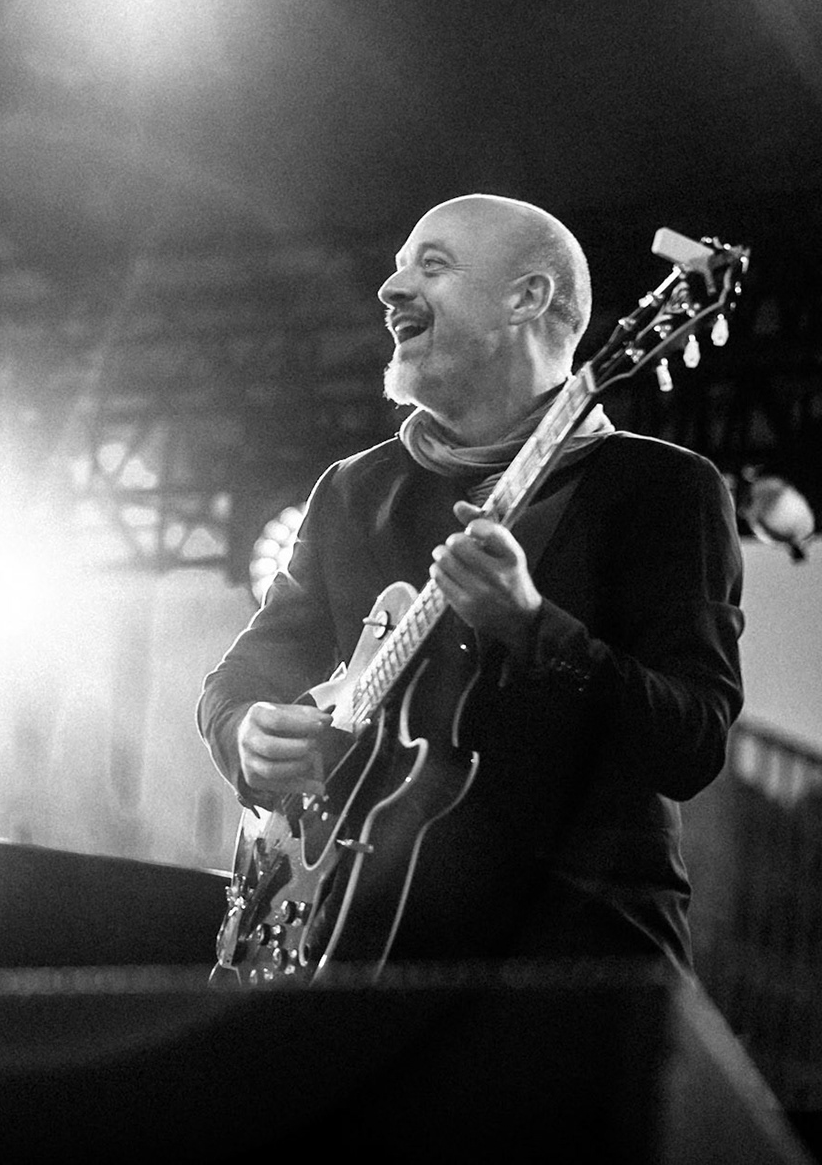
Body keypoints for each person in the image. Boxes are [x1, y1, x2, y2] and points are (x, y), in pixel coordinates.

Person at [197, 193, 744, 971]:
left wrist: (533, 627)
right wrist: (245, 732)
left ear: (528, 297)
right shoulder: (354, 491)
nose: (390, 291)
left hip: (567, 971)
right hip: (357, 954)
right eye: (395, 269)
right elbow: (239, 679)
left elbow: (691, 745)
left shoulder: (661, 487)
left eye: (433, 265)